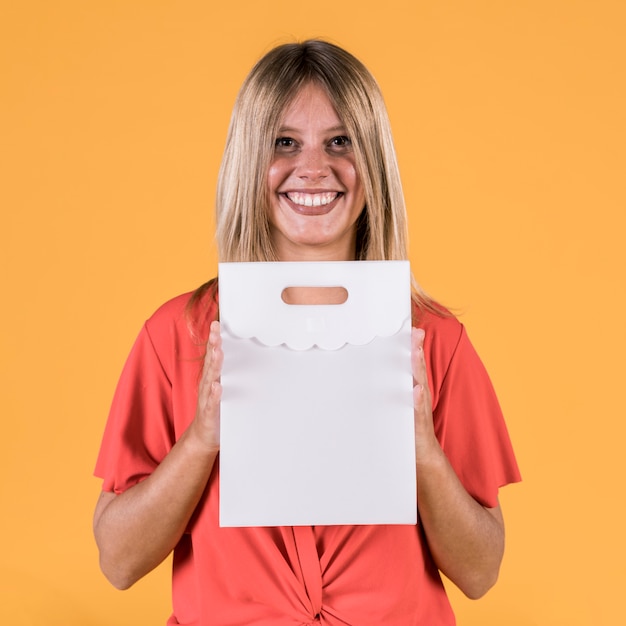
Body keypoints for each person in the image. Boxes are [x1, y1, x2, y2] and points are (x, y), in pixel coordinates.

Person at [93, 40, 521, 625]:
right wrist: (202, 439)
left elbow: (481, 571)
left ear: (374, 164)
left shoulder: (434, 342)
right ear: (250, 162)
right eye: (284, 143)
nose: (314, 168)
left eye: (341, 141)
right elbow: (117, 561)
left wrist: (421, 451)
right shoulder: (178, 337)